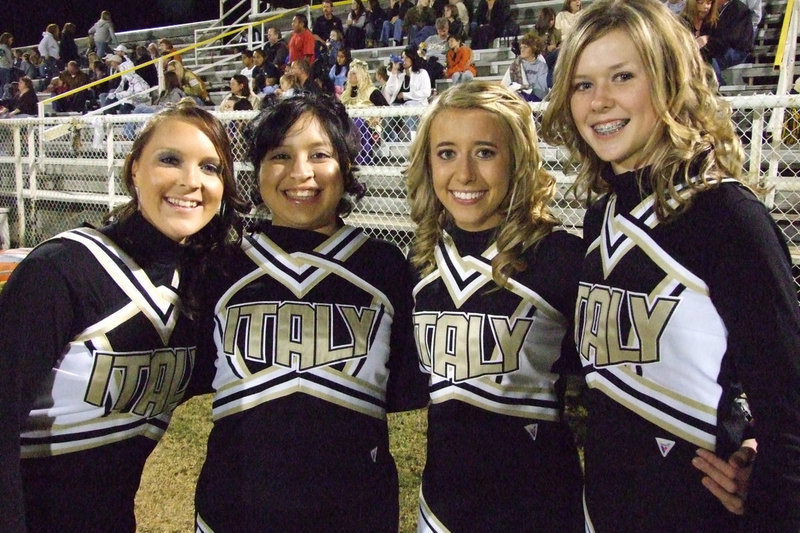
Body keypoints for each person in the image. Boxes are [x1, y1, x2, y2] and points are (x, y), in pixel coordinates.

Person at [539, 0, 800, 530]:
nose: (599, 101)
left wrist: (760, 466)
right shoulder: (600, 219)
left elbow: (789, 408)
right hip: (605, 511)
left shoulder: (728, 217)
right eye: (583, 84)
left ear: (670, 81)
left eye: (623, 76)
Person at [0, 101, 246, 532]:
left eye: (211, 168)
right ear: (134, 169)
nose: (191, 181)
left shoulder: (198, 286)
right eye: (170, 160)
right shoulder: (62, 270)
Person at [193, 92, 427, 532]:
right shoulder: (222, 266)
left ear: (346, 166)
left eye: (320, 154)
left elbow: (402, 387)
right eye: (280, 155)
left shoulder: (383, 266)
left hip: (355, 512)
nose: (300, 173)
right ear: (257, 170)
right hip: (235, 510)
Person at [406, 80, 584, 532]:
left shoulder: (561, 259)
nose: (464, 174)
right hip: (444, 508)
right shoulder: (421, 262)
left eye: (484, 152)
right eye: (446, 153)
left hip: (540, 508)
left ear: (518, 160)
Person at [704, 0, 753, 85]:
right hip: (719, 46)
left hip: (737, 51)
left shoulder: (739, 8)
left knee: (709, 59)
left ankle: (719, 86)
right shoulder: (712, 8)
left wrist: (710, 42)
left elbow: (732, 38)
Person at [501, 33, 547, 101]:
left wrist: (522, 87)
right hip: (519, 97)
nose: (522, 50)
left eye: (525, 47)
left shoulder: (541, 63)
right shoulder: (515, 65)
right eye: (521, 47)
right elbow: (504, 85)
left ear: (533, 48)